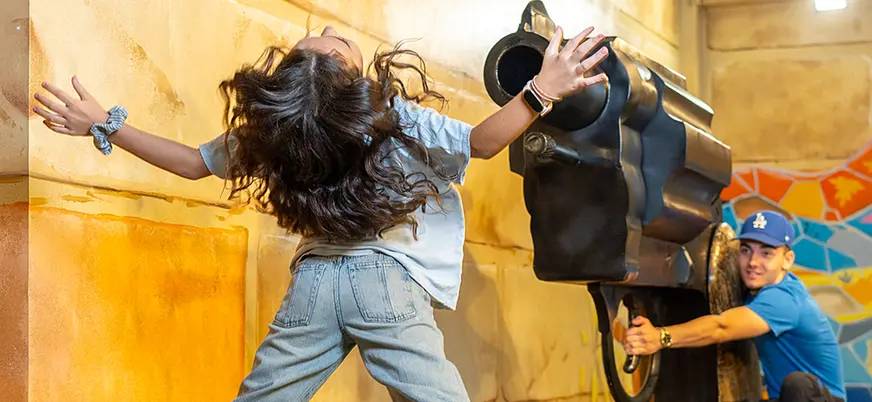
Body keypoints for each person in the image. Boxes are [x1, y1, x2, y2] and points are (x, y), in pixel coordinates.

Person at [33, 25, 610, 401]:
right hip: (384, 282)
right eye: (334, 45)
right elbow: (483, 143)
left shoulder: (273, 133)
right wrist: (541, 90)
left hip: (312, 284)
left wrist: (102, 124)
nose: (331, 31)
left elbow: (189, 163)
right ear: (351, 85)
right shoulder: (388, 116)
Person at [623, 209, 846, 401]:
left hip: (817, 398)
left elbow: (722, 327)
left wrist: (661, 337)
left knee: (797, 384)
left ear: (787, 260)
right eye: (746, 250)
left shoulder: (783, 299)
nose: (753, 263)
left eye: (766, 253)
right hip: (782, 398)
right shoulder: (756, 290)